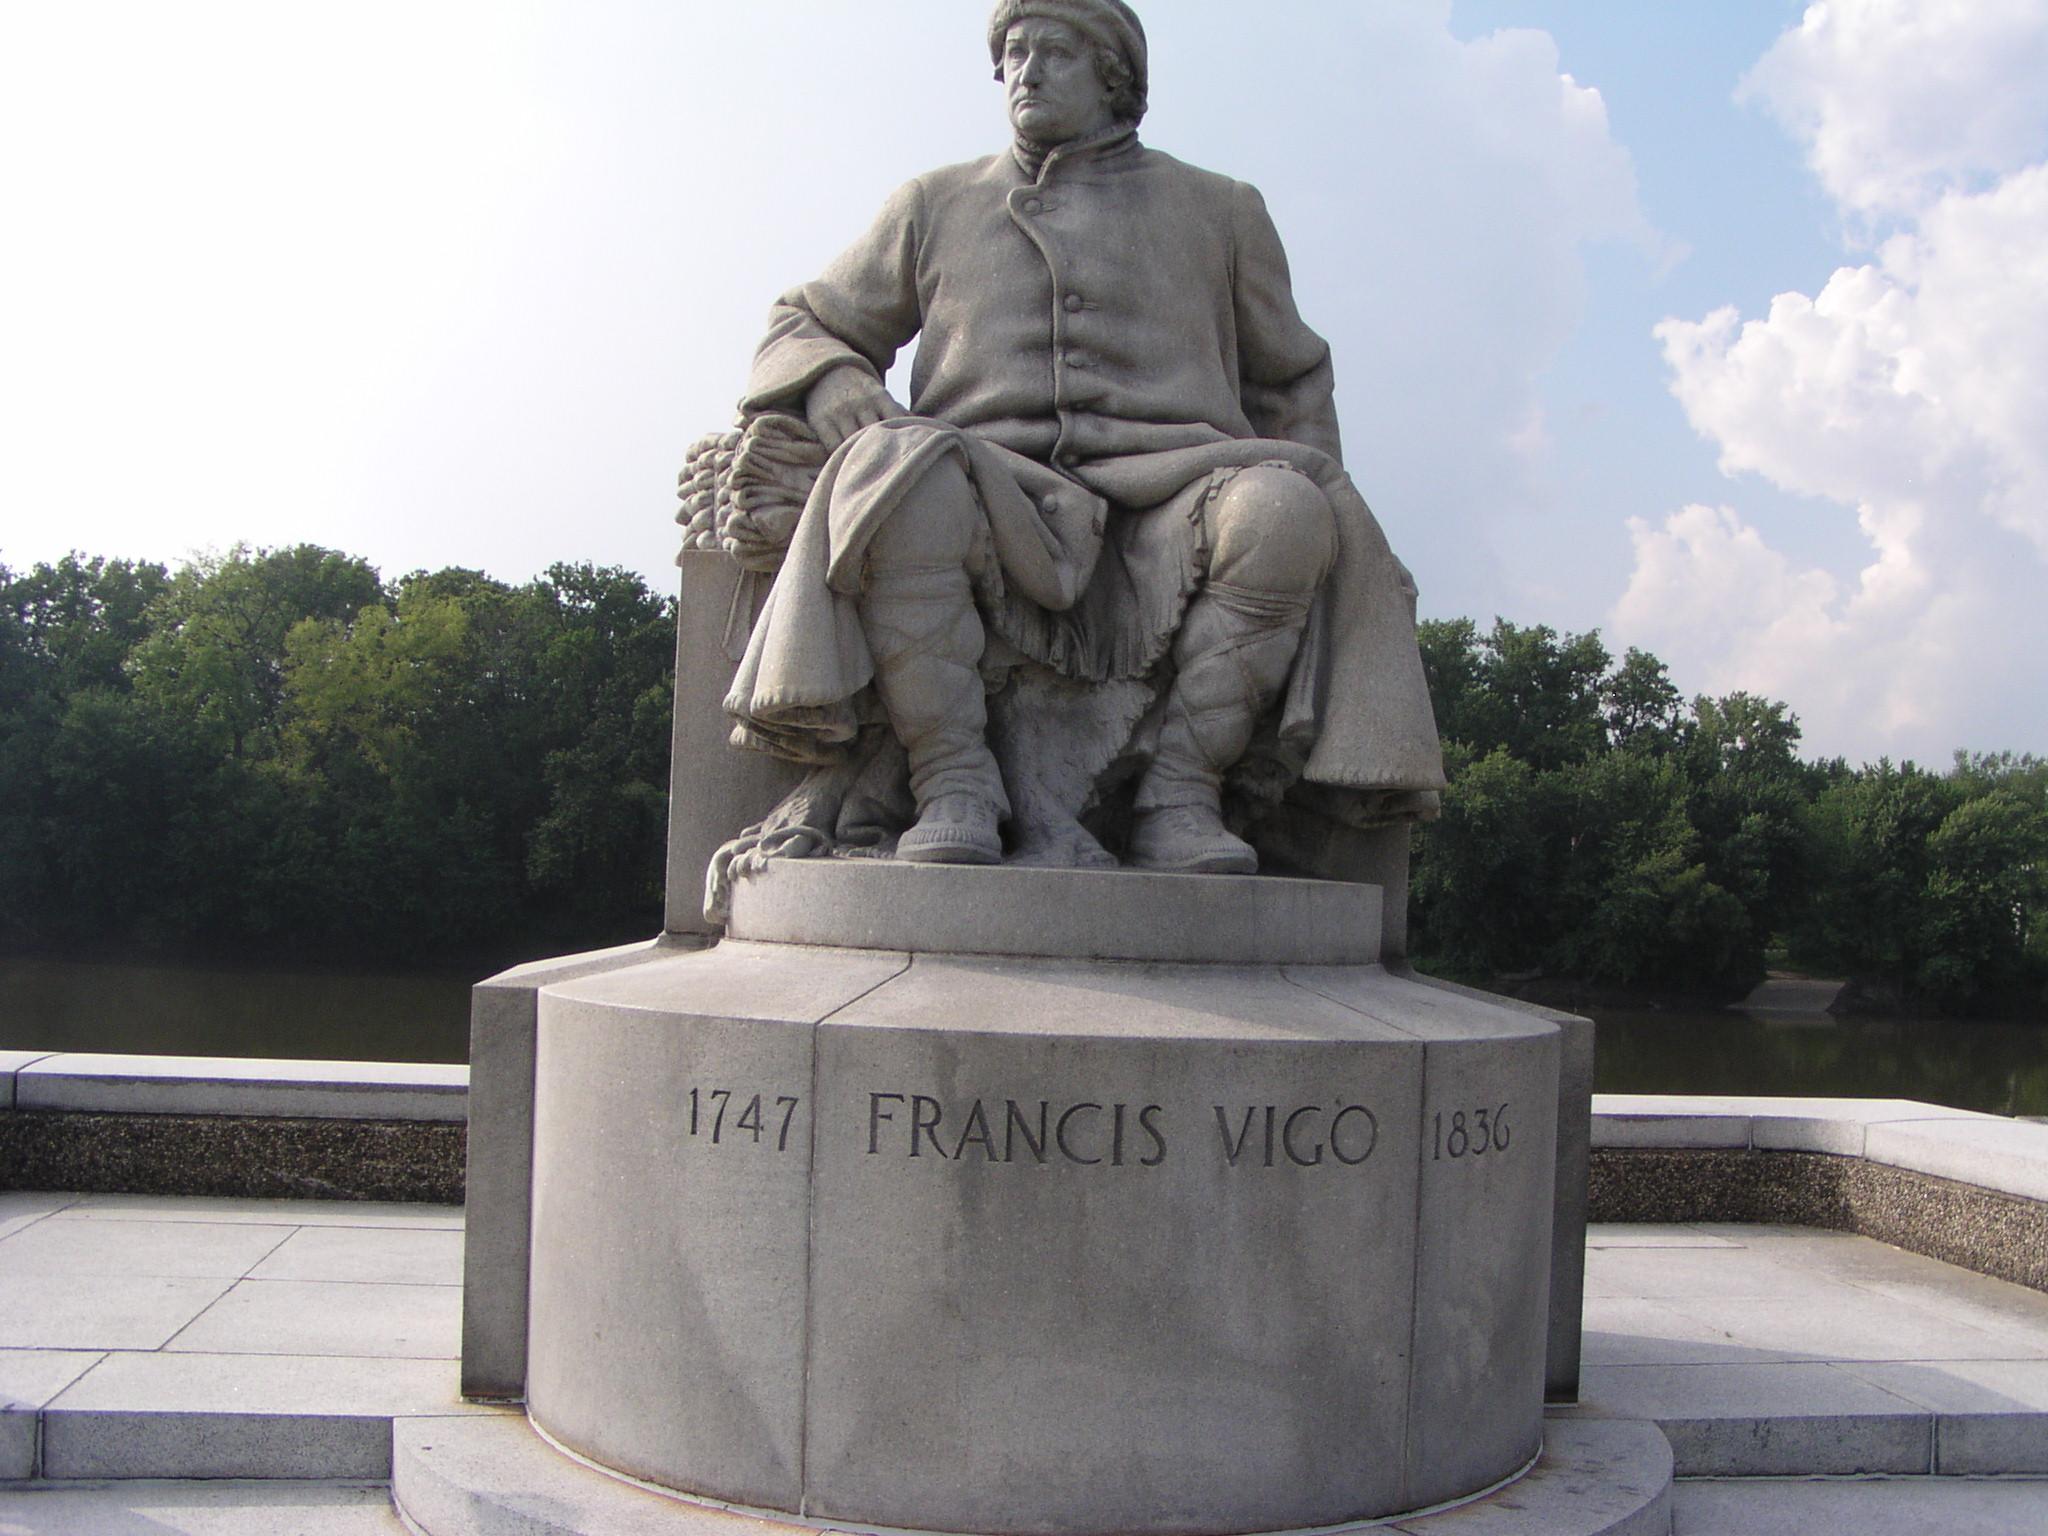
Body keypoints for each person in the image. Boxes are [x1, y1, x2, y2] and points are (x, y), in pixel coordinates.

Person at [724, 0, 1443, 872]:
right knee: (897, 472)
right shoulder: (932, 202)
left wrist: (1333, 530)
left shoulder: (1223, 209)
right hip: (992, 489)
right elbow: (801, 321)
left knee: (1285, 511)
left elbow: (1291, 381)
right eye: (1015, 54)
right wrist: (834, 375)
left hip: (1176, 494)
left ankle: (1181, 799)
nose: (1026, 73)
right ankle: (953, 781)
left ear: (1113, 78)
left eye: (1055, 52)